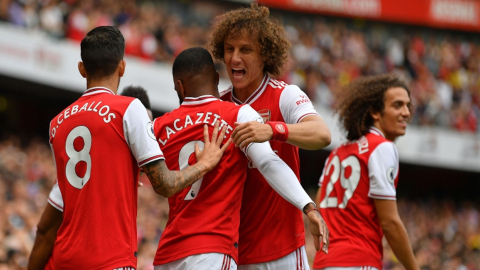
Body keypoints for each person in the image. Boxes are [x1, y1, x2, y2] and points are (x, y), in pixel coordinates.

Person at [28, 26, 229, 270]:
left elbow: (74, 191)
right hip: (110, 260)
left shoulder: (56, 124)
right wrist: (205, 164)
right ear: (122, 66)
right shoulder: (128, 108)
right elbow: (165, 184)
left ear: (82, 68)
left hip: (65, 260)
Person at [152, 47, 327, 270]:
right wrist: (309, 206)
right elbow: (268, 162)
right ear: (217, 78)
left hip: (167, 254)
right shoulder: (237, 114)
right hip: (212, 250)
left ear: (179, 85)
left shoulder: (158, 127)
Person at [209, 4, 331, 269]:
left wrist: (273, 129)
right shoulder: (218, 106)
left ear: (264, 55)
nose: (234, 58)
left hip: (283, 252)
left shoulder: (285, 95)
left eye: (245, 49)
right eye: (229, 49)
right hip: (233, 253)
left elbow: (322, 134)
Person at [28, 85, 158, 270]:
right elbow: (45, 232)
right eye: (139, 129)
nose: (144, 138)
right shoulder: (82, 171)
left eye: (148, 129)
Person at [313, 74, 419, 270]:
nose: (406, 113)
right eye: (397, 105)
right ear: (375, 112)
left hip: (324, 263)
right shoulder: (381, 147)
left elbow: (318, 209)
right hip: (358, 259)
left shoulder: (337, 152)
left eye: (408, 106)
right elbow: (390, 223)